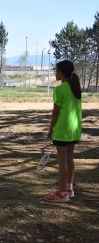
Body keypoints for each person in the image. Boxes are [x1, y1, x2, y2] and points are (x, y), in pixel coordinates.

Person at [45, 60, 82, 202]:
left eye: (56, 71)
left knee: (62, 161)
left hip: (63, 130)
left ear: (61, 73)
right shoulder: (76, 88)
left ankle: (61, 193)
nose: (55, 73)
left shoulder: (60, 90)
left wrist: (50, 131)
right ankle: (69, 188)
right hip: (74, 130)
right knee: (69, 159)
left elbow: (55, 112)